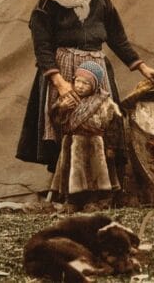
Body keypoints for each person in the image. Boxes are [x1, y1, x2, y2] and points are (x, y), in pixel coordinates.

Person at [17, 0, 154, 177]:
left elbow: (117, 37)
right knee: (65, 123)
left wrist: (142, 67)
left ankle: (102, 184)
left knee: (102, 123)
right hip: (63, 70)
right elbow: (42, 48)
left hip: (97, 70)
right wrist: (60, 83)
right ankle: (66, 185)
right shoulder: (46, 3)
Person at [49, 61, 123, 211]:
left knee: (95, 174)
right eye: (78, 81)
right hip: (72, 143)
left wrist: (111, 147)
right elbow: (56, 121)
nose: (80, 86)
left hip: (94, 144)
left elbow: (114, 126)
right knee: (70, 173)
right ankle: (71, 201)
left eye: (86, 83)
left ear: (94, 86)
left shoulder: (104, 102)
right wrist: (61, 108)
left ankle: (94, 201)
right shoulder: (67, 99)